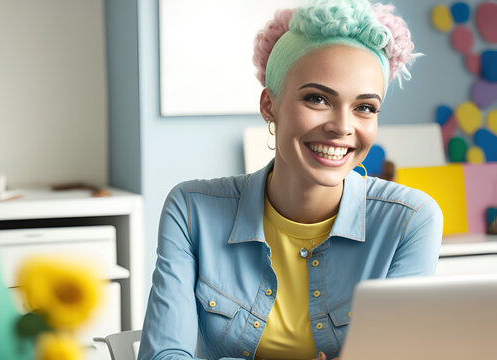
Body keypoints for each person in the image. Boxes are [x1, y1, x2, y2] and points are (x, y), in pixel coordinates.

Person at [138, 0, 443, 359]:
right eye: (317, 99)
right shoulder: (192, 211)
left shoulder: (409, 221)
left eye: (365, 107)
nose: (342, 127)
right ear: (269, 105)